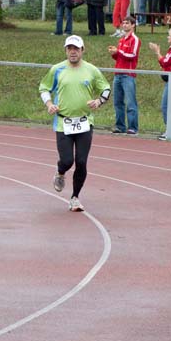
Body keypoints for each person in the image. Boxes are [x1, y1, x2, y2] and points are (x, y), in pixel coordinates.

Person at [40, 35, 110, 212]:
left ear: (82, 50)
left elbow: (106, 88)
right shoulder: (57, 69)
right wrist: (49, 104)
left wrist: (99, 101)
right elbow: (44, 88)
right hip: (63, 122)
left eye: (76, 49)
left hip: (85, 122)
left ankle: (75, 198)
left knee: (81, 161)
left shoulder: (92, 70)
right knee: (67, 160)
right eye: (69, 48)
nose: (72, 52)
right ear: (65, 50)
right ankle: (60, 172)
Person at [148, 29, 171, 141]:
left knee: (166, 105)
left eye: (169, 35)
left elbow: (164, 62)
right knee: (168, 105)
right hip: (170, 80)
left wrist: (157, 52)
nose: (167, 37)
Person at [108, 16, 140, 136]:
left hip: (128, 74)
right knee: (118, 102)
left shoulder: (135, 39)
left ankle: (133, 127)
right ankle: (120, 125)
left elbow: (132, 55)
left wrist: (119, 52)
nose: (124, 25)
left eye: (127, 23)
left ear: (133, 25)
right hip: (118, 73)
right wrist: (114, 53)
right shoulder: (121, 40)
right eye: (123, 23)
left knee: (131, 102)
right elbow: (119, 57)